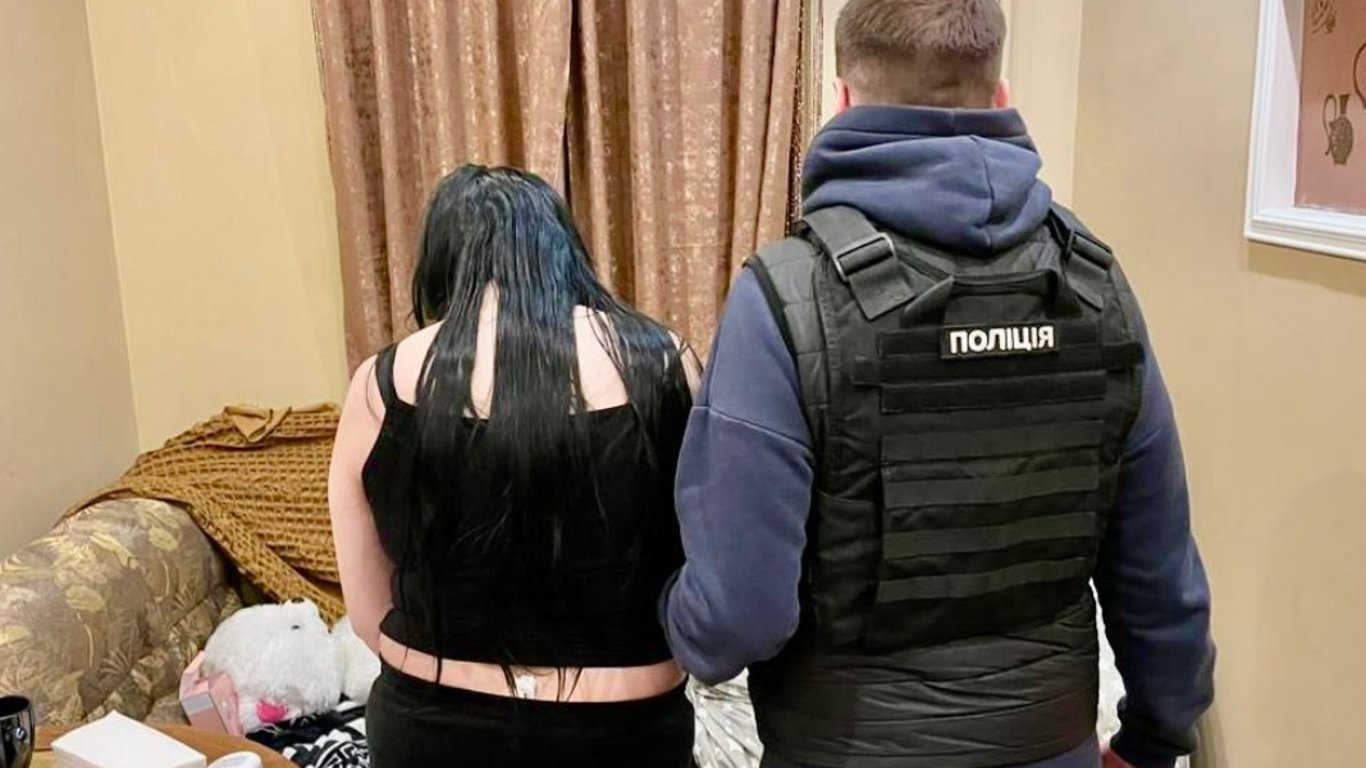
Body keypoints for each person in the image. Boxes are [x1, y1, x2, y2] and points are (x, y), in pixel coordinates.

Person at [660, 2, 1216, 768]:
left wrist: (669, 615)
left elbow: (737, 616)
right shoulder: (1094, 286)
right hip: (1051, 748)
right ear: (1001, 95)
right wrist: (1155, 738)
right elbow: (1161, 571)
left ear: (842, 99)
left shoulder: (785, 298)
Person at [329, 165, 700, 767]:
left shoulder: (380, 382)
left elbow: (369, 616)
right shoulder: (666, 362)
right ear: (564, 250)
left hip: (429, 728)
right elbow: (706, 562)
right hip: (624, 735)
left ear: (442, 263)